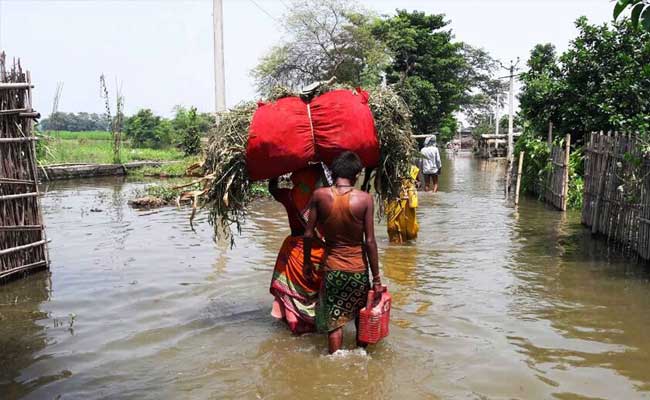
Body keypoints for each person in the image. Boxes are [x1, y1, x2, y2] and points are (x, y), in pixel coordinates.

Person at [303, 151, 382, 354]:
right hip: (358, 270)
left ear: (333, 172)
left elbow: (308, 233)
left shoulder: (320, 196)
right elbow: (370, 242)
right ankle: (361, 356)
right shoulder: (365, 199)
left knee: (335, 323)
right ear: (356, 175)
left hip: (332, 270)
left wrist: (307, 262)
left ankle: (334, 361)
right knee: (360, 318)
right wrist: (377, 279)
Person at [268, 166, 325, 334]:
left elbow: (272, 189)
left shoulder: (289, 196)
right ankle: (315, 322)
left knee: (290, 294)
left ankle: (294, 323)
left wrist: (274, 171)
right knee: (315, 293)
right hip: (317, 251)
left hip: (294, 251)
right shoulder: (324, 199)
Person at [386, 165, 419, 243]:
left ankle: (405, 251)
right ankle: (396, 251)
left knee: (410, 231)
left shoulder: (412, 169)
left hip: (407, 202)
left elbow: (417, 182)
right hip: (394, 201)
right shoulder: (389, 169)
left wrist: (413, 186)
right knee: (392, 228)